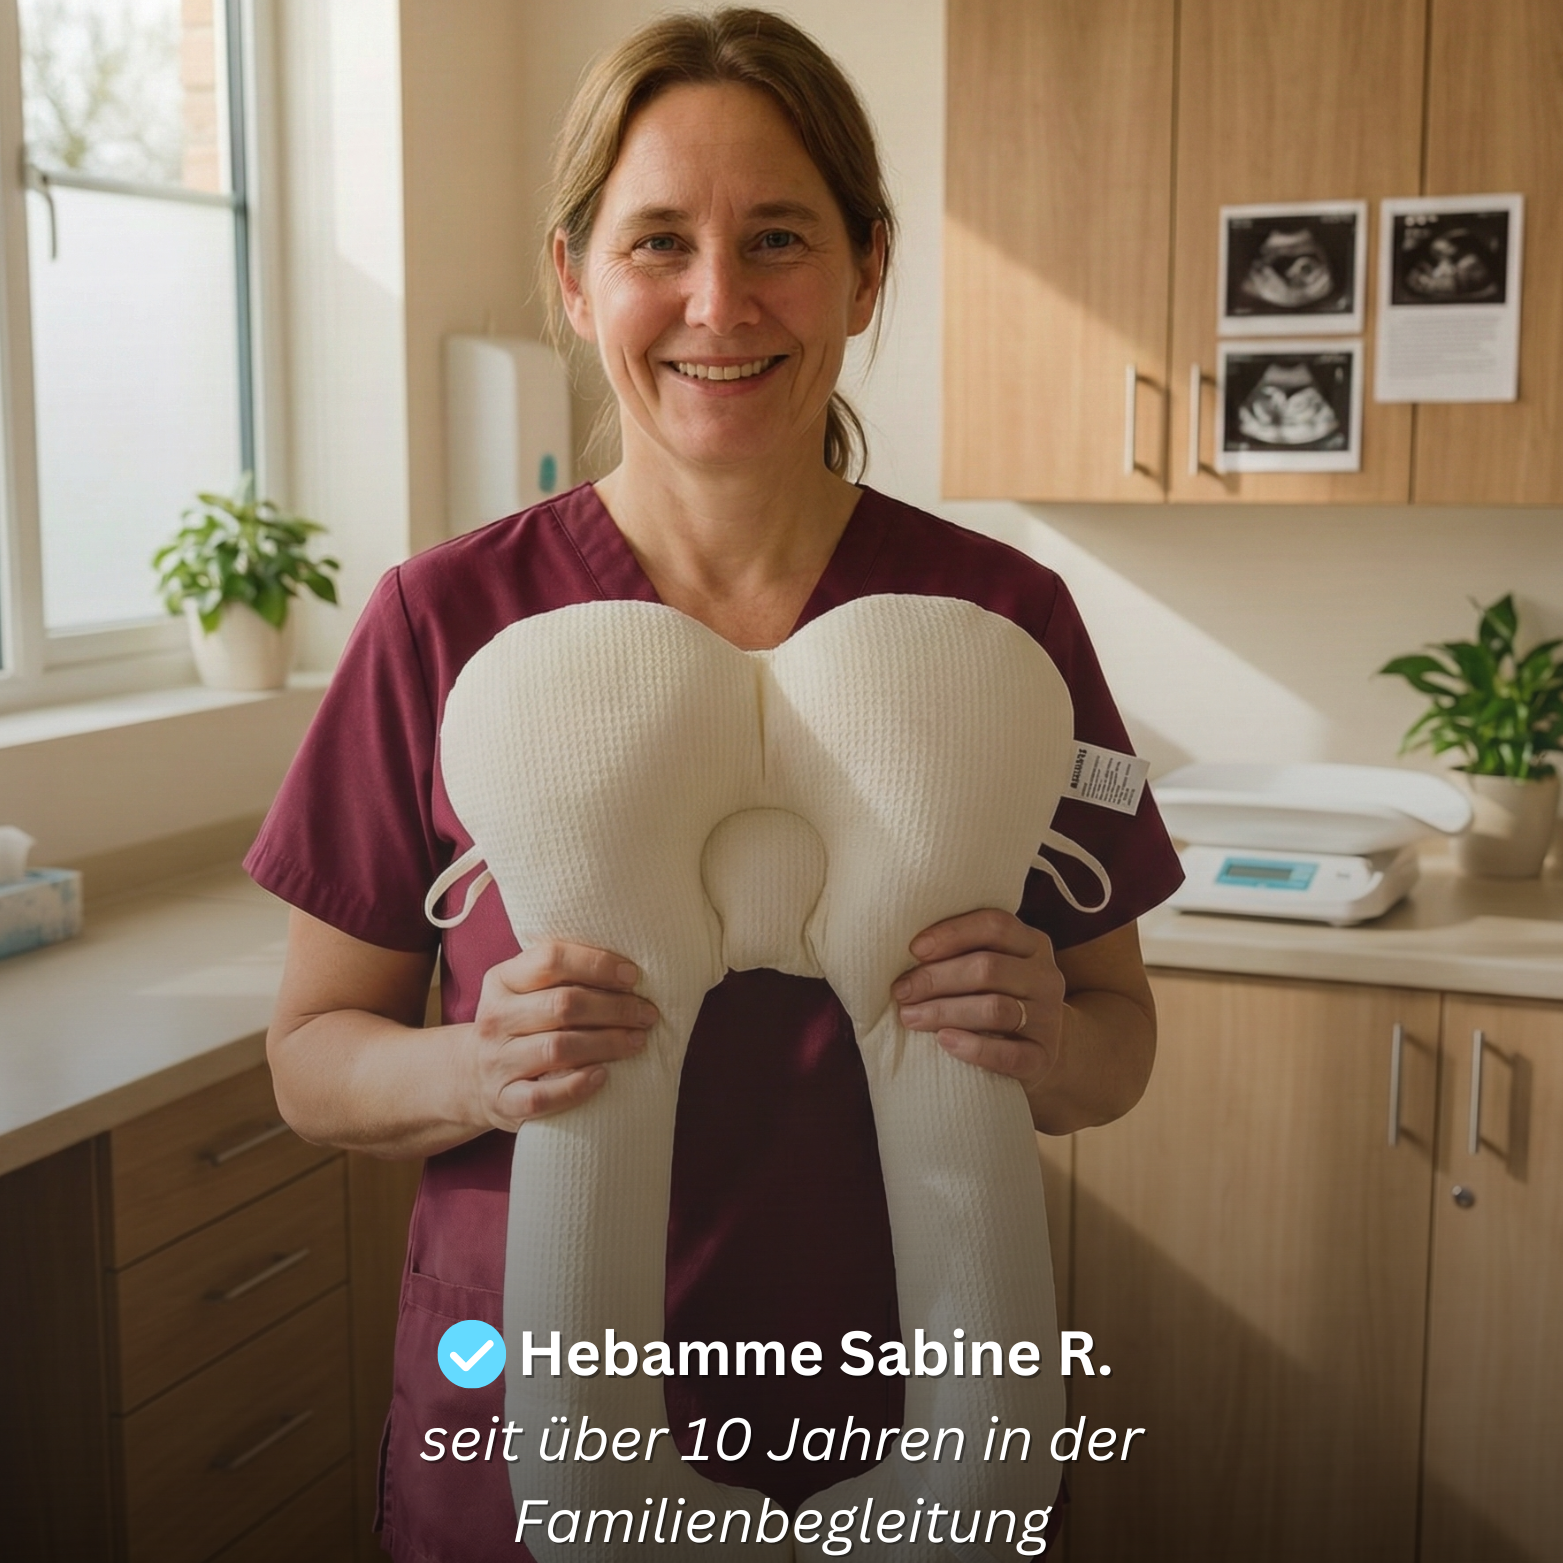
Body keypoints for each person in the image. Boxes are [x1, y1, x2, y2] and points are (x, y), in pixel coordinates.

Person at [248, 10, 1183, 1559]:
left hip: (903, 1403)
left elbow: (1117, 1042)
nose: (717, 302)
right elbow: (309, 1058)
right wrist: (478, 1066)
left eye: (777, 240)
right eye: (658, 242)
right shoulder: (446, 624)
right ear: (574, 277)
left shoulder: (994, 632)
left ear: (867, 271)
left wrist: (1049, 1038)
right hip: (534, 1424)